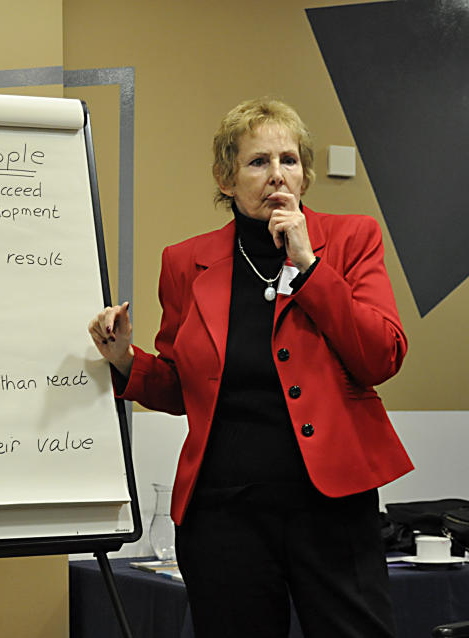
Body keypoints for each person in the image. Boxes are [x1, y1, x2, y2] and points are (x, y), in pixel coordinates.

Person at [88, 98, 412, 638]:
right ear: (226, 178)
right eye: (258, 162)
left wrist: (310, 266)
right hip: (226, 515)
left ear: (306, 174)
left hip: (331, 509)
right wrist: (124, 359)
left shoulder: (352, 239)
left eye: (290, 160)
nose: (278, 175)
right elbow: (180, 385)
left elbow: (381, 356)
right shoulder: (185, 261)